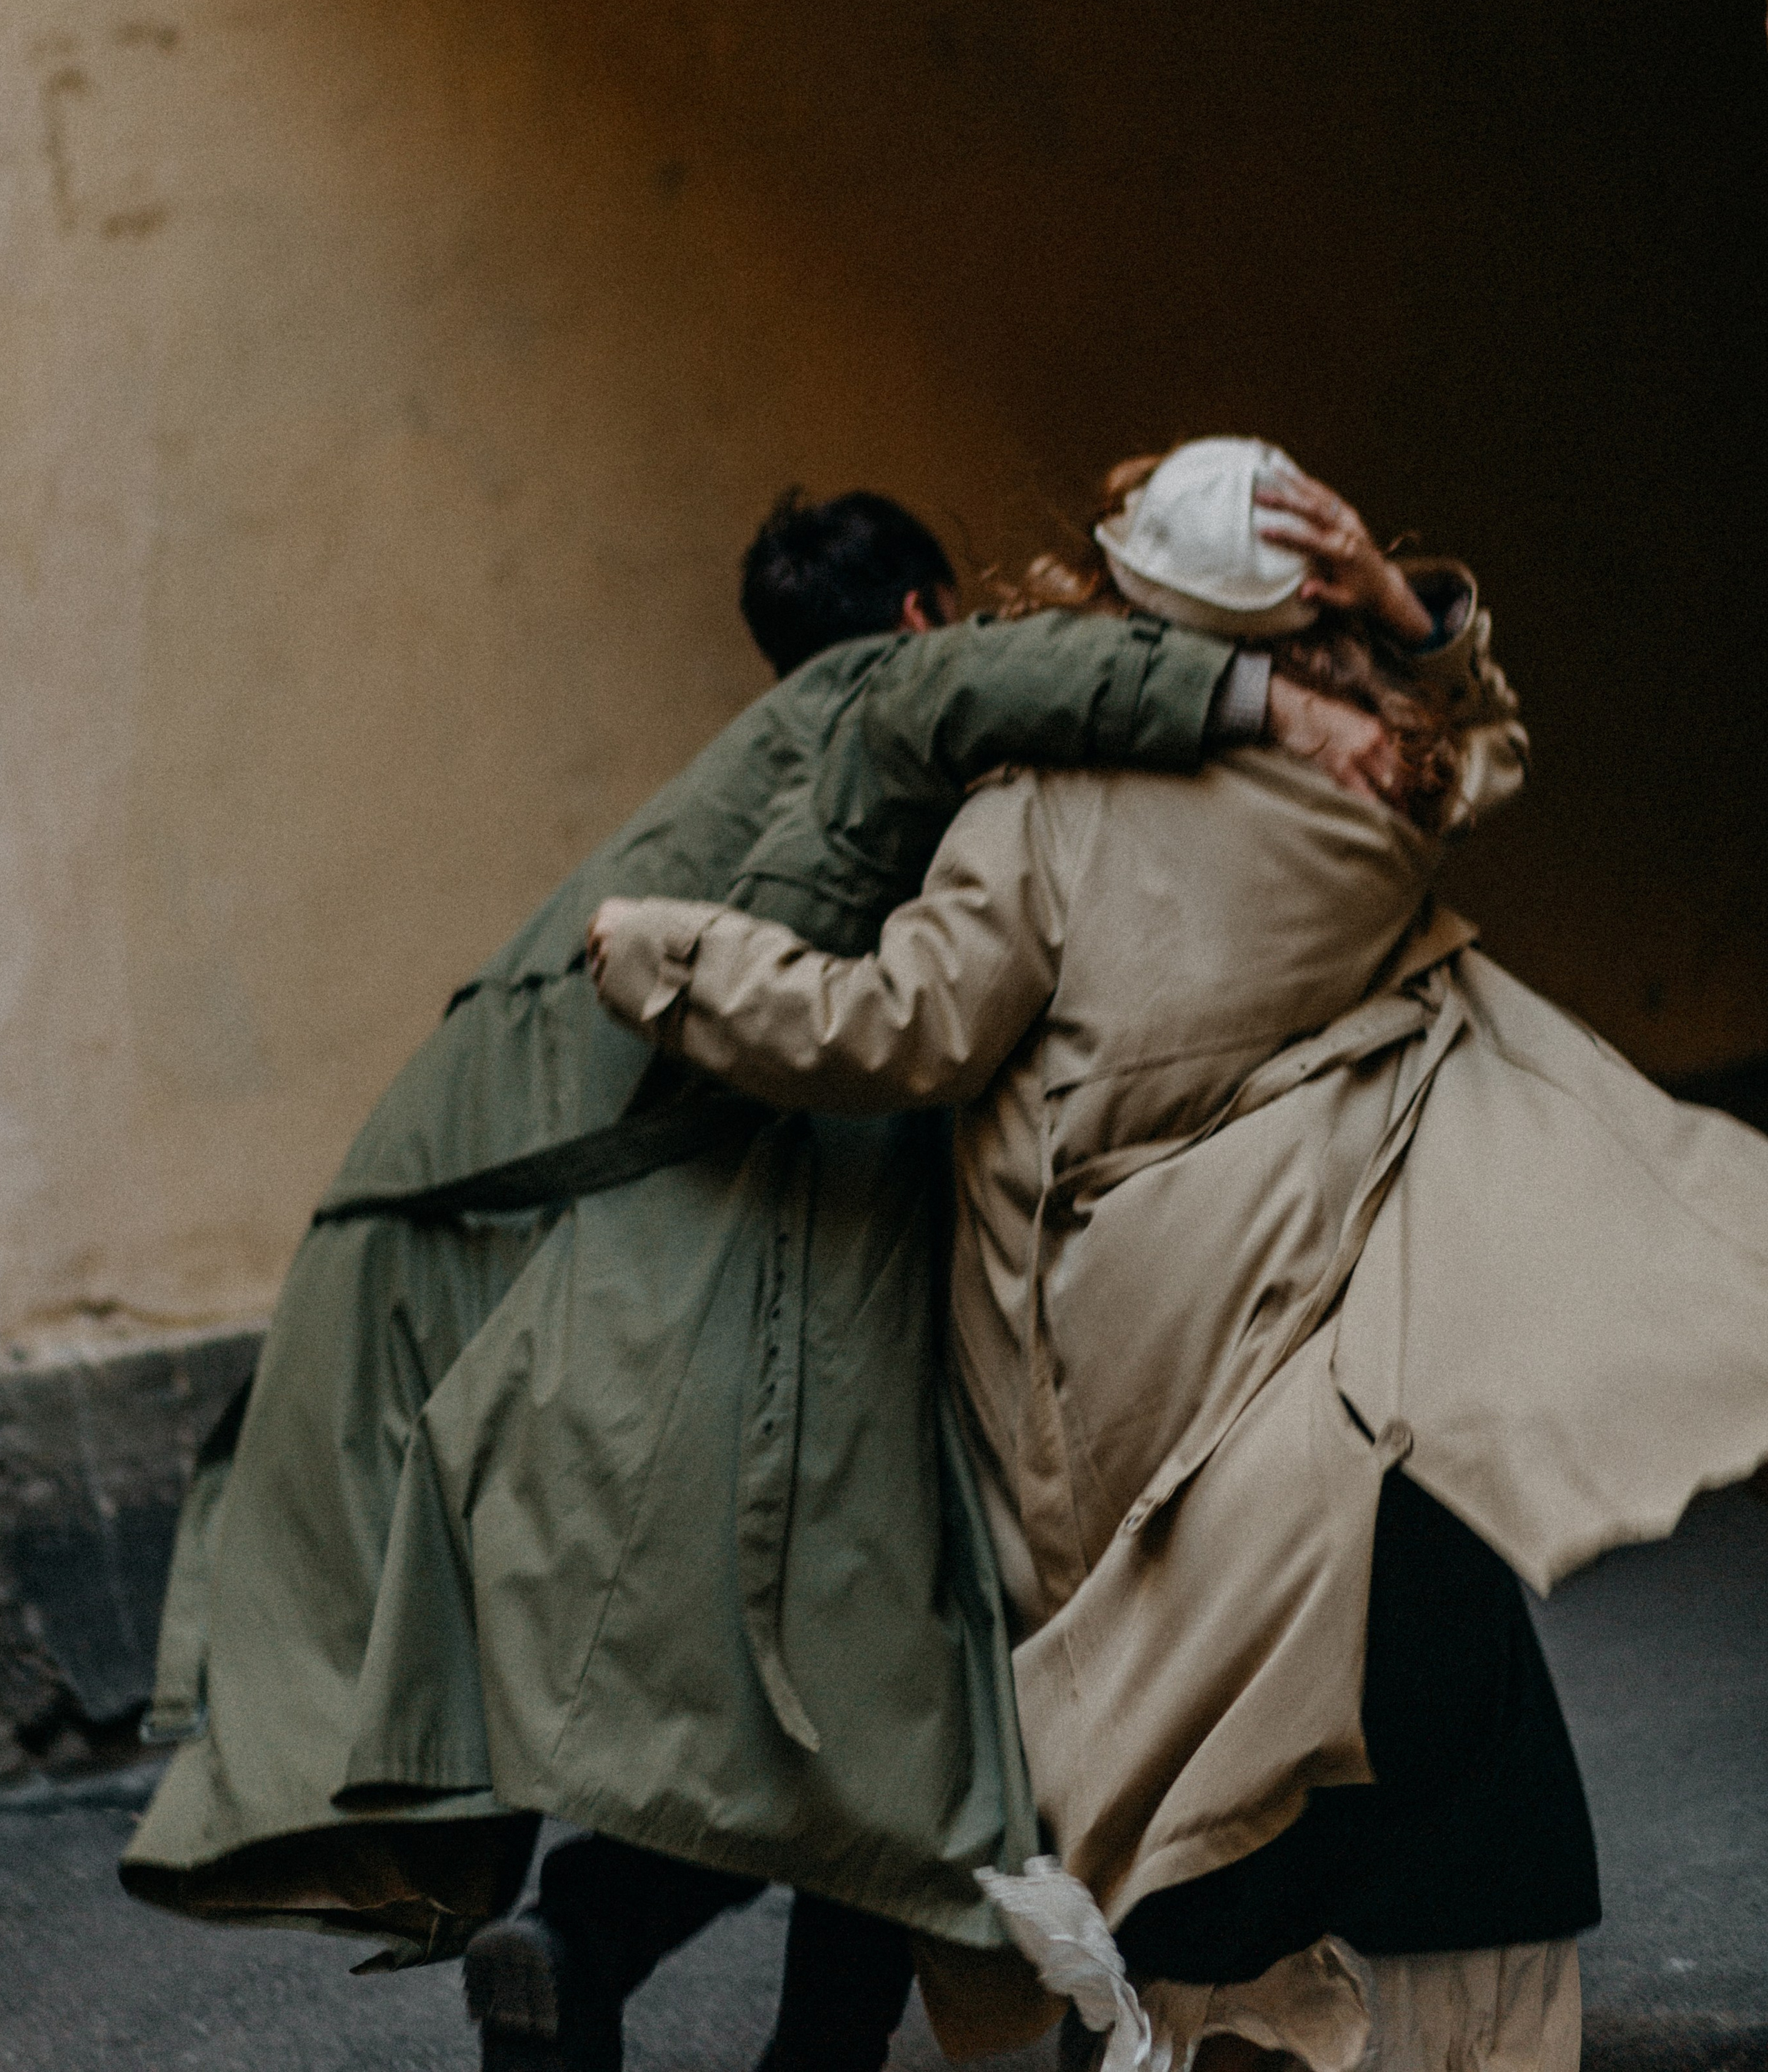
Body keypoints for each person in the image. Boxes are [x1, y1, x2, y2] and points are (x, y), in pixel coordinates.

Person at [123, 477, 1394, 2072]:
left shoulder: (751, 778)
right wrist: (1274, 701)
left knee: (790, 1722)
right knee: (888, 1715)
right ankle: (675, 1982)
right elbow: (966, 724)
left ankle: (576, 1942)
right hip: (778, 1302)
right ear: (920, 615)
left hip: (591, 1290)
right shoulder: (884, 692)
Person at [587, 437, 1768, 2072]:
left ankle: (1166, 2021)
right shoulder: (1372, 784)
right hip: (1328, 1310)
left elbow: (896, 1029)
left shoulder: (1036, 806)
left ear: (1110, 604)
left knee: (1138, 1729)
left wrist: (668, 955)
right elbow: (1476, 743)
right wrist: (1399, 610)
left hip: (1113, 1361)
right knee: (1404, 1675)